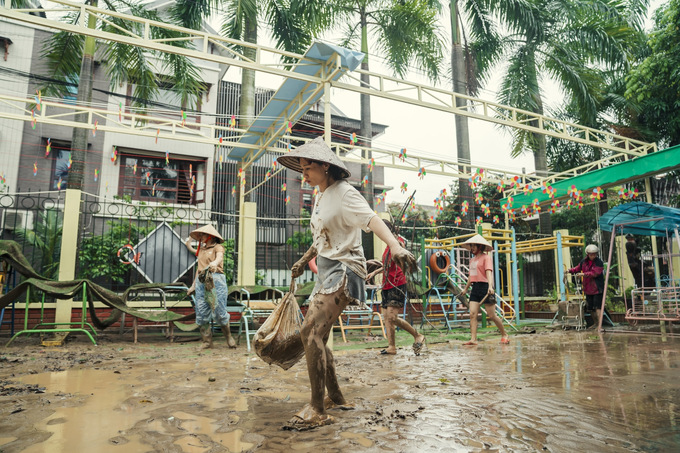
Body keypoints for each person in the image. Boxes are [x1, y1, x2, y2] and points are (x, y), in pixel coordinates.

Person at [279, 136, 416, 428]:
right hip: (324, 270)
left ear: (325, 166)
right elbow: (323, 238)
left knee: (310, 332)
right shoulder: (319, 196)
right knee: (321, 338)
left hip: (344, 269)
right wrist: (304, 261)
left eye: (307, 167)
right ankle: (337, 397)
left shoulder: (345, 193)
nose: (303, 173)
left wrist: (395, 246)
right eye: (301, 167)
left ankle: (317, 408)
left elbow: (373, 220)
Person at [379, 219, 426, 356]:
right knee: (387, 318)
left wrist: (397, 243)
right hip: (386, 284)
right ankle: (391, 347)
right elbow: (387, 266)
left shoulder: (397, 241)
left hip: (397, 283)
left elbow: (402, 250)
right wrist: (375, 271)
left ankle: (417, 335)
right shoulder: (387, 246)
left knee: (392, 317)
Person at [185, 225, 236, 349]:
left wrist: (214, 263)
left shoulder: (218, 247)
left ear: (210, 236)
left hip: (216, 281)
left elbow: (219, 257)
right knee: (201, 312)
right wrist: (193, 286)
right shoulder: (201, 250)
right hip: (201, 282)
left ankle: (228, 336)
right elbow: (199, 269)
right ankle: (207, 342)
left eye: (202, 235)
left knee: (219, 312)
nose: (200, 237)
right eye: (200, 235)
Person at [458, 234, 509, 345]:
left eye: (474, 246)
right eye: (471, 246)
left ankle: (504, 334)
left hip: (486, 287)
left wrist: (490, 286)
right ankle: (473, 339)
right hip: (475, 288)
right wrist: (466, 289)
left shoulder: (486, 258)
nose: (472, 248)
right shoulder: (472, 260)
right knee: (472, 314)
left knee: (492, 315)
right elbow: (471, 276)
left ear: (480, 246)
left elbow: (489, 272)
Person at [568, 244, 605, 329]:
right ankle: (596, 323)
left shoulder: (599, 262)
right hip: (588, 289)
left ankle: (600, 326)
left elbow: (595, 273)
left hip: (597, 289)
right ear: (587, 254)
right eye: (591, 254)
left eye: (595, 254)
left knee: (598, 307)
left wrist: (583, 274)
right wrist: (569, 271)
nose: (593, 256)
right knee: (590, 308)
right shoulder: (583, 261)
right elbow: (577, 268)